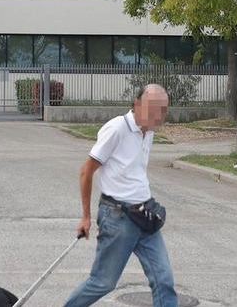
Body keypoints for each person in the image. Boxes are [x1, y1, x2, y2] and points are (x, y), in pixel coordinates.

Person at [62, 83, 177, 307]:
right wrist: (86, 216)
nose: (158, 116)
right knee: (102, 282)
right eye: (153, 109)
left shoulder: (148, 132)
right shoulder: (116, 129)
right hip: (118, 218)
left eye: (162, 110)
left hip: (145, 215)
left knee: (164, 280)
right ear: (136, 103)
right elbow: (86, 171)